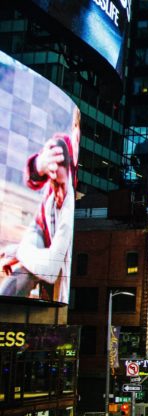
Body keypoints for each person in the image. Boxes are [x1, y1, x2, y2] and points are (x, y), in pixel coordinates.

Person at [0, 107, 79, 302]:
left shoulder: (68, 203)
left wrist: (19, 251)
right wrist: (39, 165)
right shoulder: (62, 146)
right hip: (39, 228)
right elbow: (33, 178)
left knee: (27, 271)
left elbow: (50, 269)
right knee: (18, 277)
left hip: (51, 246)